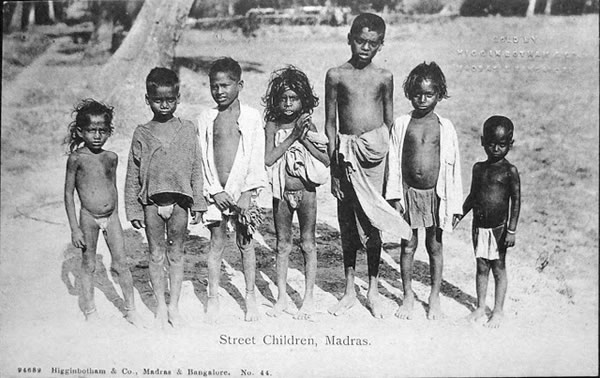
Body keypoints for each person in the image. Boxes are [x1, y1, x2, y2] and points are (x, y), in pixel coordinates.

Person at [325, 13, 412, 319]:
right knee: (348, 224)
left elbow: (390, 123)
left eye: (372, 43)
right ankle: (349, 290)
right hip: (346, 158)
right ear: (350, 38)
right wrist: (334, 167)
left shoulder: (384, 77)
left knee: (373, 223)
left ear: (381, 45)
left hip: (376, 156)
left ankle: (373, 289)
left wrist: (392, 171)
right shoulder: (336, 75)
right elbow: (331, 123)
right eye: (360, 40)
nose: (365, 47)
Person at [125, 67, 207, 329]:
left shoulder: (187, 129)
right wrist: (134, 210)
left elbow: (196, 166)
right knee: (156, 254)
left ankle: (174, 307)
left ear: (178, 97)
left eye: (169, 99)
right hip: (151, 204)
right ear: (147, 99)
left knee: (177, 254)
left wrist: (199, 203)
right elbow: (132, 174)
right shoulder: (142, 133)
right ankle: (160, 304)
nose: (164, 105)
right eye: (158, 100)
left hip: (181, 203)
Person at [386, 61, 463, 320]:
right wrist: (394, 196)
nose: (422, 99)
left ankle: (434, 297)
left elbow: (454, 169)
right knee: (408, 245)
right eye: (417, 93)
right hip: (408, 194)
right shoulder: (401, 123)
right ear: (409, 92)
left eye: (429, 94)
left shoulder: (445, 127)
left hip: (435, 195)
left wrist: (454, 206)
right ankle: (407, 295)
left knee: (435, 246)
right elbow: (394, 161)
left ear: (439, 95)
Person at [197, 57, 267, 323]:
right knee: (216, 245)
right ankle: (213, 297)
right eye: (214, 86)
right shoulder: (207, 118)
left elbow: (256, 156)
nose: (219, 91)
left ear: (240, 84)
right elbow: (203, 157)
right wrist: (214, 191)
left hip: (242, 194)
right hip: (217, 195)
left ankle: (250, 297)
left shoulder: (250, 117)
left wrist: (247, 193)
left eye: (225, 85)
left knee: (245, 244)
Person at [64, 99, 142, 326]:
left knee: (121, 264)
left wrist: (115, 217)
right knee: (89, 264)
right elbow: (68, 194)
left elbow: (113, 188)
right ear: (80, 131)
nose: (97, 136)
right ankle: (90, 311)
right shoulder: (76, 159)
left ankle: (131, 310)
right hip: (88, 218)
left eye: (102, 131)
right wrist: (74, 229)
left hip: (112, 217)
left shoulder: (111, 157)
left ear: (109, 131)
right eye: (91, 131)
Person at [262, 66, 329, 320]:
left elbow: (325, 158)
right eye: (284, 99)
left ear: (303, 100)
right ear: (276, 100)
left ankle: (308, 298)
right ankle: (281, 297)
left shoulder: (309, 124)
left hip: (307, 192)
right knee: (282, 245)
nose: (288, 104)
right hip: (282, 193)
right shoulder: (272, 124)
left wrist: (304, 138)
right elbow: (268, 159)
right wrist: (291, 137)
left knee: (309, 243)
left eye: (294, 98)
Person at [454, 115, 521, 328]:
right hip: (478, 226)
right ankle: (481, 307)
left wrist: (511, 230)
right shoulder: (478, 168)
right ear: (482, 141)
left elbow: (516, 202)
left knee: (498, 267)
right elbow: (473, 196)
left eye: (502, 145)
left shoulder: (510, 171)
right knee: (481, 266)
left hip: (499, 228)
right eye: (491, 143)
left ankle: (498, 310)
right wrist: (459, 214)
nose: (496, 149)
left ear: (510, 144)